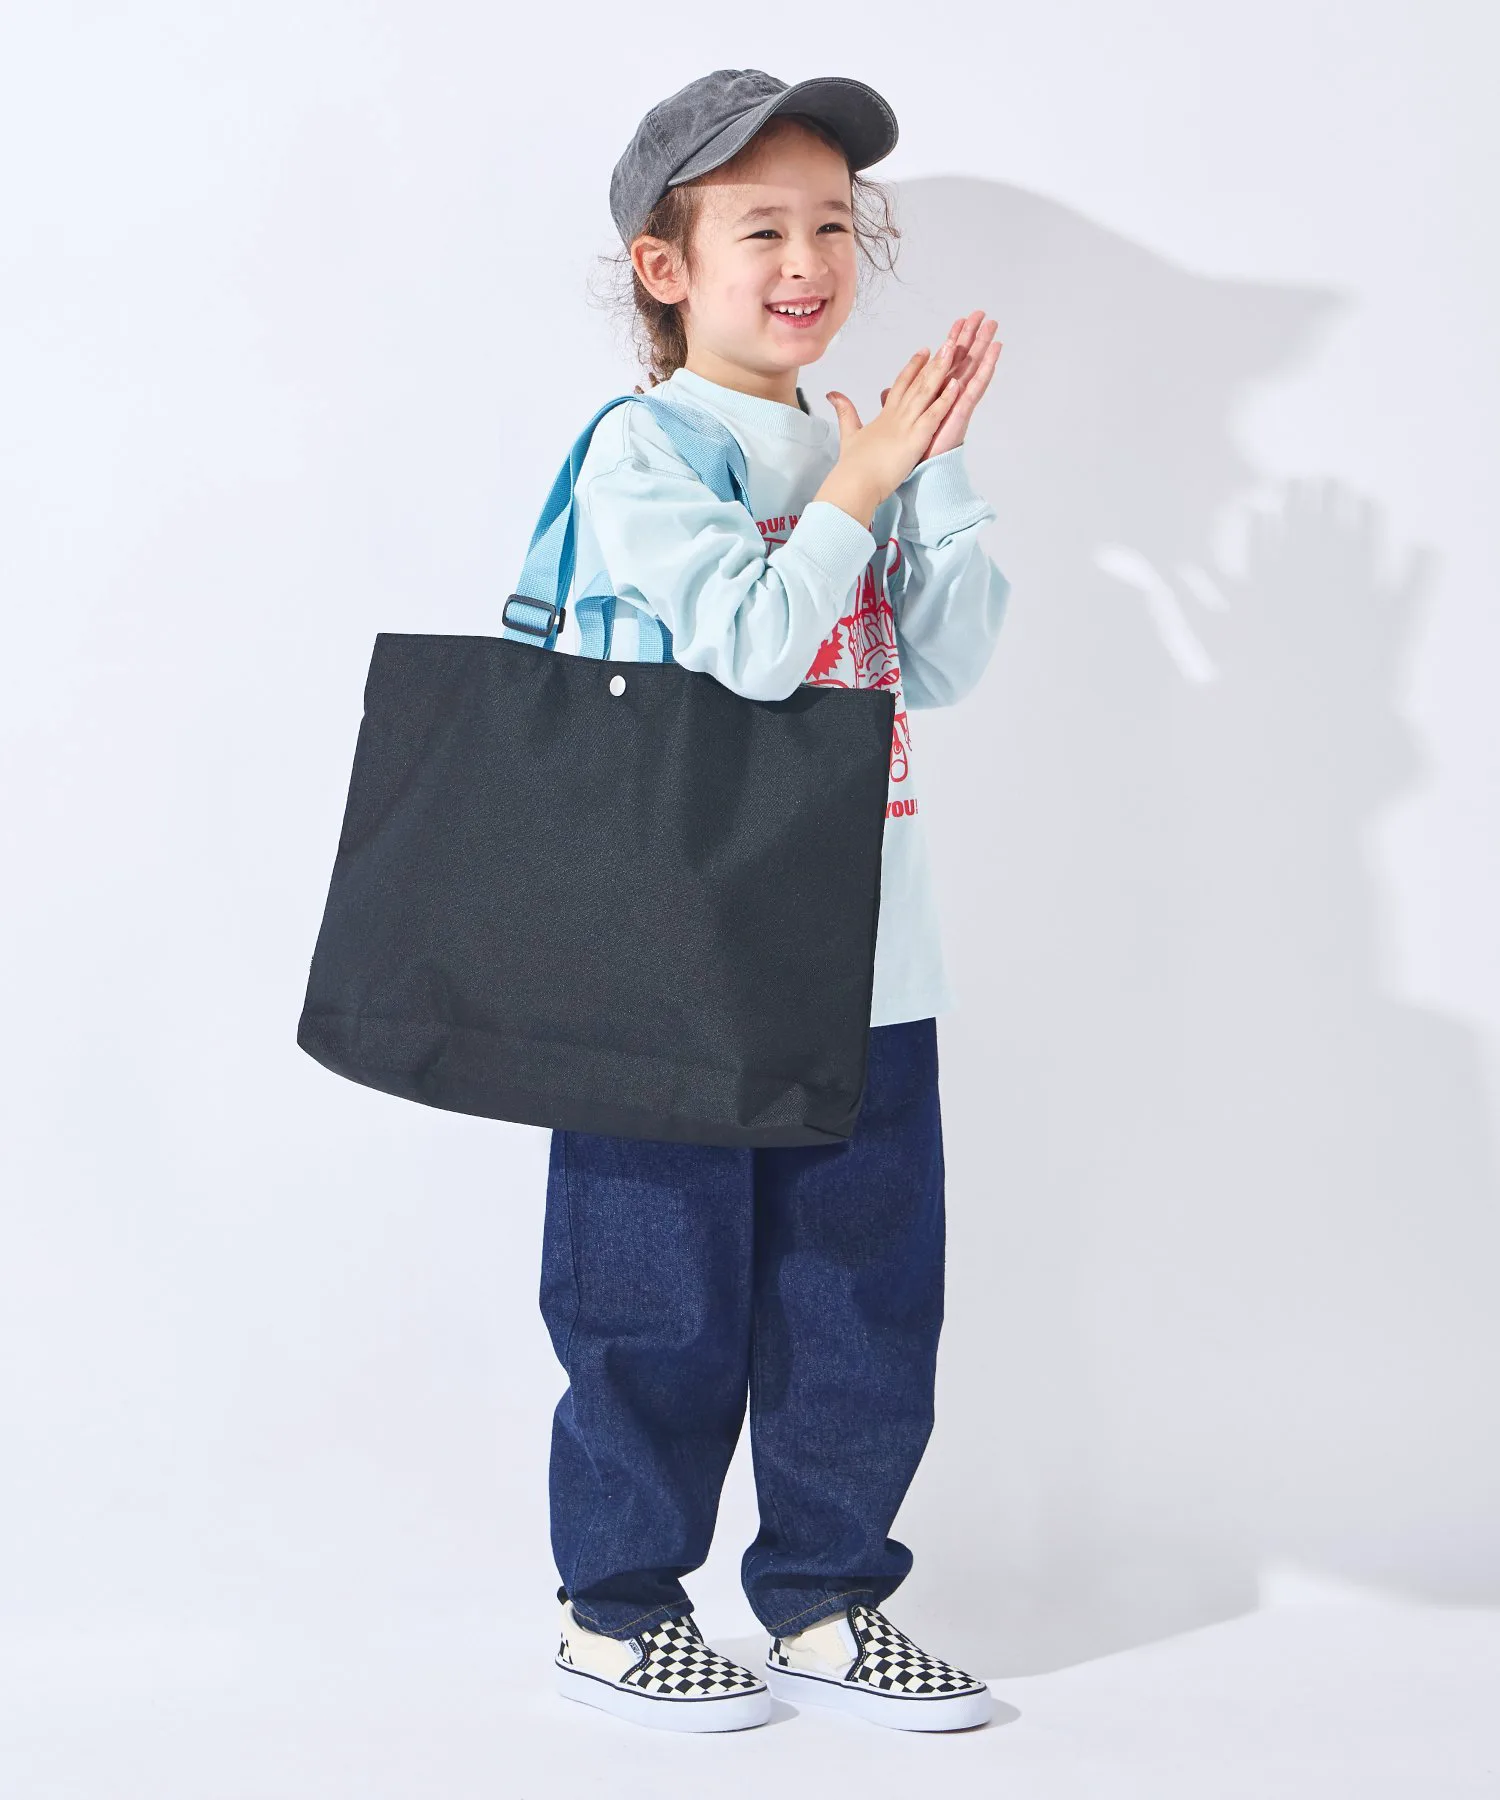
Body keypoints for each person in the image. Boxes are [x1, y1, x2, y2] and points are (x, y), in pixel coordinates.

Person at [541, 69, 1011, 1736]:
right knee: (652, 1293)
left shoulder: (848, 444)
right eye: (761, 230)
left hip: (870, 959)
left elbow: (940, 666)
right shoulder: (646, 449)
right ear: (666, 269)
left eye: (831, 225)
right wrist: (861, 486)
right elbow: (751, 643)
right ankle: (617, 1610)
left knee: (859, 1298)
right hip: (669, 966)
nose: (807, 260)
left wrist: (931, 473)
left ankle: (825, 1601)